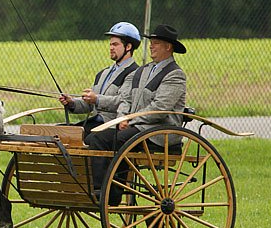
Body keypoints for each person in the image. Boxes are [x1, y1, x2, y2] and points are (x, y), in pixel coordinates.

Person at [84, 24, 188, 192]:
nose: (151, 46)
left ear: (168, 47)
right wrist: (122, 117)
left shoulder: (175, 74)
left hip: (159, 131)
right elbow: (127, 99)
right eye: (151, 42)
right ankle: (98, 187)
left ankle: (105, 192)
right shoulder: (143, 71)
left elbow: (160, 108)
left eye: (156, 43)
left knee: (107, 140)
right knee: (93, 138)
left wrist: (131, 120)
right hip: (138, 127)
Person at [59, 22, 141, 135]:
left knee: (65, 135)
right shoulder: (103, 73)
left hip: (110, 127)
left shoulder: (135, 73)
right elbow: (89, 105)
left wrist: (96, 99)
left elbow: (123, 102)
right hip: (93, 123)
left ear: (128, 47)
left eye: (115, 44)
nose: (111, 48)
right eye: (110, 44)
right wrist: (71, 102)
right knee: (56, 131)